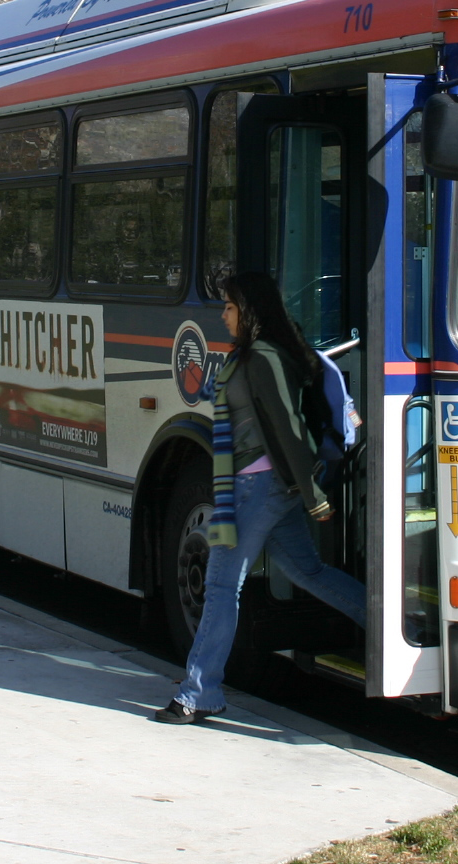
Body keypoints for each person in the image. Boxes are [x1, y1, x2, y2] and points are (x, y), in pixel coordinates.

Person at [154, 272, 367, 725]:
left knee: (218, 586)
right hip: (262, 487)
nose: (224, 316)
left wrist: (312, 496)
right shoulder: (249, 357)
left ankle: (200, 692)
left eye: (229, 307)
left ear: (249, 310)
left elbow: (289, 430)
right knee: (308, 572)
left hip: (261, 488)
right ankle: (383, 621)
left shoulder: (264, 359)